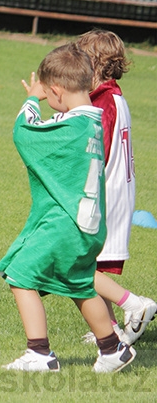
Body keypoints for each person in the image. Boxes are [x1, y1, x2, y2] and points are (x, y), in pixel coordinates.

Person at [0, 43, 136, 373]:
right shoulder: (93, 122)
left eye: (49, 94)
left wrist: (32, 99)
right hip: (90, 225)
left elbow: (25, 133)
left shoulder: (70, 128)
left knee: (21, 275)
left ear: (55, 91)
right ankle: (113, 348)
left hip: (66, 223)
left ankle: (39, 353)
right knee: (80, 283)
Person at [74, 29, 155, 346]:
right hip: (115, 190)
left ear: (94, 65)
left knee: (75, 264)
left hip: (105, 194)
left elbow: (96, 148)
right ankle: (107, 328)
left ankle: (135, 305)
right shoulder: (112, 97)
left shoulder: (105, 103)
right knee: (90, 264)